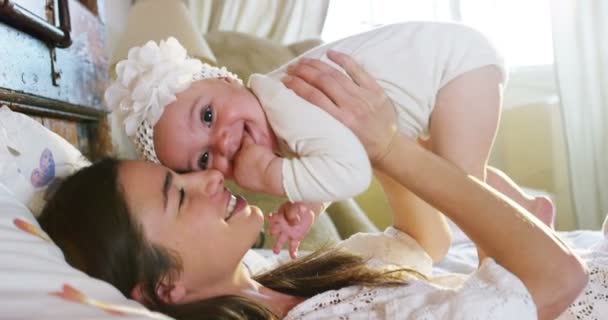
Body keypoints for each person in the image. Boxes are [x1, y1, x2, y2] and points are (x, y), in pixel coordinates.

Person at [40, 55, 604, 320]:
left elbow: (421, 243)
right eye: (180, 193)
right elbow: (556, 281)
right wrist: (386, 147)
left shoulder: (274, 273)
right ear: (165, 288)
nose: (214, 174)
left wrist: (352, 128)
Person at [105, 21, 554, 258]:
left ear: (230, 79)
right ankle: (526, 209)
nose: (221, 142)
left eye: (207, 114)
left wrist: (275, 176)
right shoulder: (276, 113)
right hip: (456, 60)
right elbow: (333, 150)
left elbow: (353, 172)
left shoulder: (283, 102)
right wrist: (308, 208)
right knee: (443, 163)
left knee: (458, 185)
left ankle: (498, 263)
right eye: (202, 158)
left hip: (455, 69)